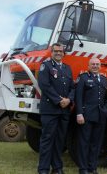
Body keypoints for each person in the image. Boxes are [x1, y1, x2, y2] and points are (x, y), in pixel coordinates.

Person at [37, 43, 75, 174]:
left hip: (64, 111)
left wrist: (69, 100)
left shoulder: (67, 68)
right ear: (51, 52)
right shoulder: (45, 66)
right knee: (47, 140)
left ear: (64, 53)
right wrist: (59, 100)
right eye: (56, 51)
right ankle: (43, 169)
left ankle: (57, 168)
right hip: (50, 110)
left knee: (60, 141)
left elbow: (72, 87)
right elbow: (45, 85)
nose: (58, 53)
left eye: (60, 51)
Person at [75, 58, 107, 174]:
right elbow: (78, 97)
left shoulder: (104, 80)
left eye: (97, 64)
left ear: (100, 66)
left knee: (96, 143)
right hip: (86, 116)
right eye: (93, 64)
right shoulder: (83, 78)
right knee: (84, 143)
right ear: (88, 66)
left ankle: (92, 167)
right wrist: (79, 113)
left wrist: (105, 111)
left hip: (100, 117)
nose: (95, 66)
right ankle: (83, 168)